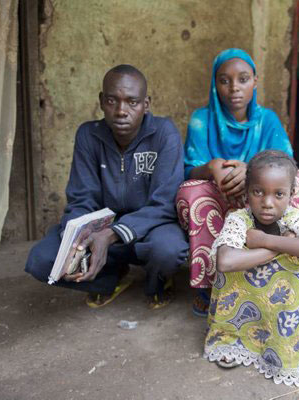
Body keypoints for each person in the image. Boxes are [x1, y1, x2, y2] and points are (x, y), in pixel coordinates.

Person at [25, 64, 188, 309]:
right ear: (101, 101)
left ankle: (158, 281)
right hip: (101, 229)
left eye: (132, 102)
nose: (121, 111)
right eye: (112, 101)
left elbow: (165, 204)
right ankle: (110, 275)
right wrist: (77, 241)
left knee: (168, 250)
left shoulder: (164, 134)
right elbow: (82, 198)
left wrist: (111, 235)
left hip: (150, 227)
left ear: (146, 104)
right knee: (42, 260)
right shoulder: (88, 135)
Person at [176, 48, 299, 316]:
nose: (234, 88)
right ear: (214, 84)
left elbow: (287, 164)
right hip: (219, 195)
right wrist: (212, 167)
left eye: (243, 79)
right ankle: (210, 286)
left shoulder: (267, 120)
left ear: (255, 81)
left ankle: (284, 267)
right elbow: (188, 170)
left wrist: (251, 171)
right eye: (224, 80)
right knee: (191, 192)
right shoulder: (201, 120)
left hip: (260, 197)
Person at [203, 150, 299, 387]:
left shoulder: (293, 219)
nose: (267, 203)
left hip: (283, 311)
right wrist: (280, 248)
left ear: (291, 194)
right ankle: (235, 342)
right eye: (258, 192)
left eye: (279, 194)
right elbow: (226, 261)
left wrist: (266, 241)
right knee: (289, 250)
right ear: (247, 192)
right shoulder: (239, 219)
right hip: (244, 308)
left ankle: (282, 346)